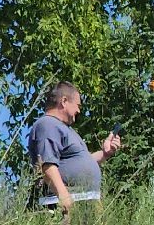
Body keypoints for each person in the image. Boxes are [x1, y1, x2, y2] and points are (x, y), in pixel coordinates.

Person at [28, 81, 122, 214]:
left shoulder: (65, 129)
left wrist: (105, 153)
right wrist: (63, 196)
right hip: (63, 204)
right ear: (64, 101)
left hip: (82, 202)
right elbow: (47, 164)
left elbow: (80, 162)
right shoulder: (48, 124)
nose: (79, 110)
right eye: (78, 105)